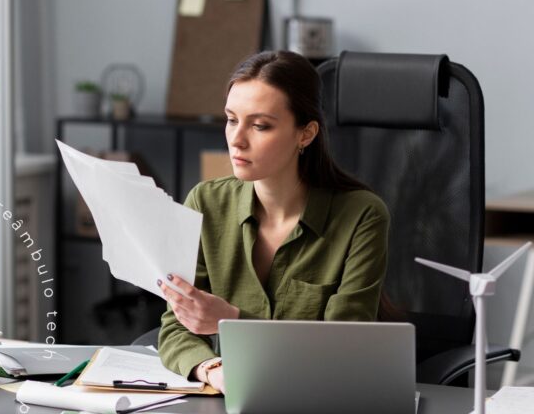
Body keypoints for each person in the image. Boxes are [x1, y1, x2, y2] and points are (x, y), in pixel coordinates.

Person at [157, 50, 390, 394]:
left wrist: (231, 320)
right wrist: (214, 370)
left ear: (305, 134)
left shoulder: (362, 216)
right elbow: (176, 326)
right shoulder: (204, 203)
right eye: (231, 120)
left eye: (260, 125)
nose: (237, 139)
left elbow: (343, 348)